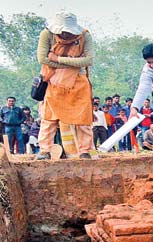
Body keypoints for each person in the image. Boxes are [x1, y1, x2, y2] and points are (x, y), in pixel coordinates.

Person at [35, 11, 94, 160]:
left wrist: (58, 59)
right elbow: (43, 59)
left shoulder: (84, 36)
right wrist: (72, 62)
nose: (66, 35)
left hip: (78, 81)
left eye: (69, 32)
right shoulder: (46, 35)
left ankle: (84, 151)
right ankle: (44, 150)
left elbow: (88, 61)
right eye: (63, 32)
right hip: (53, 80)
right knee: (49, 118)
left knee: (83, 119)